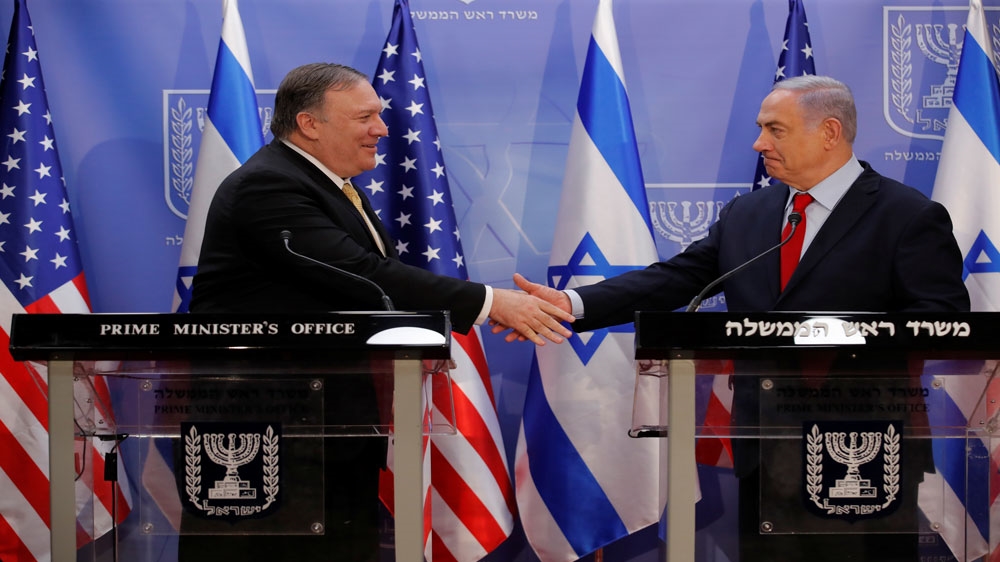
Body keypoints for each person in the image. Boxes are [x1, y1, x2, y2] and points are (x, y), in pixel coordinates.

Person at [510, 75, 971, 561]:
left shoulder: (907, 215)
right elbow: (676, 278)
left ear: (830, 132)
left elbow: (942, 321)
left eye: (775, 129)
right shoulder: (748, 213)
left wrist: (836, 337)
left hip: (865, 449)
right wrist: (571, 305)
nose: (759, 143)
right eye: (760, 128)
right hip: (765, 444)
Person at [183, 62, 574, 561]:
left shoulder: (328, 184)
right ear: (309, 124)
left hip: (330, 422)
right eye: (365, 116)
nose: (382, 129)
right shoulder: (269, 186)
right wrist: (492, 303)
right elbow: (361, 272)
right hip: (265, 429)